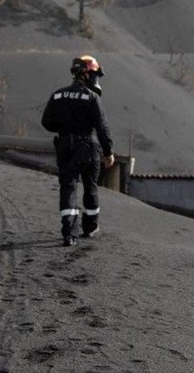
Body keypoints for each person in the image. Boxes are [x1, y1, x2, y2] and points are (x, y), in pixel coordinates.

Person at [41, 55, 115, 246]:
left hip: (65, 145)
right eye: (94, 75)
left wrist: (65, 129)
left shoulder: (58, 94)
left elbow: (46, 122)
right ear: (86, 74)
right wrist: (108, 152)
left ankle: (69, 233)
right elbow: (102, 127)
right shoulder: (92, 97)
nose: (96, 80)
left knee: (68, 187)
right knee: (90, 187)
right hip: (88, 146)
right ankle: (90, 227)